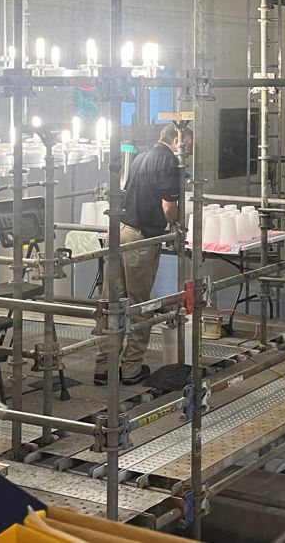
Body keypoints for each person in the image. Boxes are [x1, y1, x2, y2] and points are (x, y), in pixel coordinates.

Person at [94, 123, 193, 386]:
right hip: (141, 239)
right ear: (176, 141)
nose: (188, 154)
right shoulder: (167, 161)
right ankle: (130, 369)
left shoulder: (142, 156)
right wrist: (177, 225)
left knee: (111, 301)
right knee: (139, 306)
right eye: (188, 148)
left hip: (120, 232)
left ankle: (103, 366)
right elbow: (168, 205)